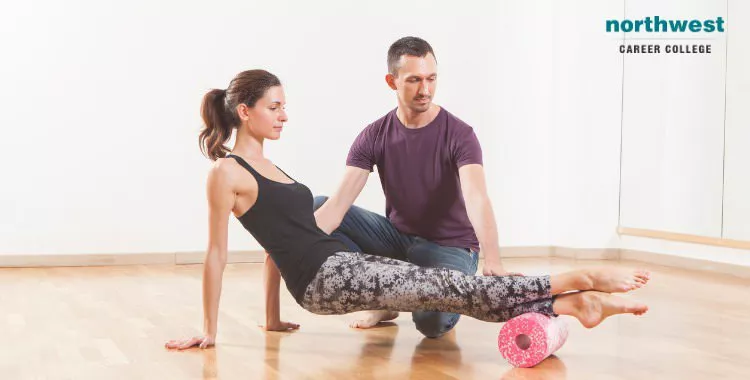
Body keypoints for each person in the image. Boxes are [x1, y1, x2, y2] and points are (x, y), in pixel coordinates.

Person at [165, 69, 650, 350]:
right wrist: (208, 330)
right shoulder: (225, 173)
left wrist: (271, 318)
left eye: (284, 106)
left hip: (342, 263)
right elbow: (216, 255)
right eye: (275, 107)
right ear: (245, 111)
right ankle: (575, 278)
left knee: (450, 292)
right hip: (325, 281)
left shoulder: (271, 166)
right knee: (448, 287)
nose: (285, 115)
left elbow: (280, 243)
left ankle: (571, 304)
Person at [313, 36, 522, 336]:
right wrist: (291, 243)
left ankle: (426, 290)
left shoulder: (460, 135)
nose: (425, 90)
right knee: (318, 207)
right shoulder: (374, 135)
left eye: (431, 79)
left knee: (431, 324)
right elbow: (336, 208)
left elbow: (477, 198)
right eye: (414, 80)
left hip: (450, 248)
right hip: (399, 240)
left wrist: (494, 260)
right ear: (392, 81)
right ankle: (384, 299)